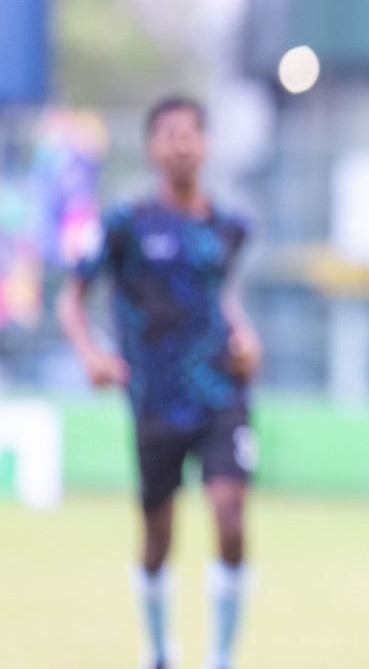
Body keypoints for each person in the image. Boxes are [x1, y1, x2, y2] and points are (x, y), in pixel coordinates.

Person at [58, 95, 262, 669]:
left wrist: (247, 337)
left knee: (230, 514)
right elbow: (71, 297)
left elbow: (221, 298)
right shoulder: (124, 224)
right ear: (152, 148)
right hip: (155, 400)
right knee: (157, 538)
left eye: (192, 132)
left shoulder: (229, 227)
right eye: (169, 133)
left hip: (222, 392)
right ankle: (158, 649)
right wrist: (91, 354)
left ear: (206, 144)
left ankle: (220, 657)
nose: (182, 143)